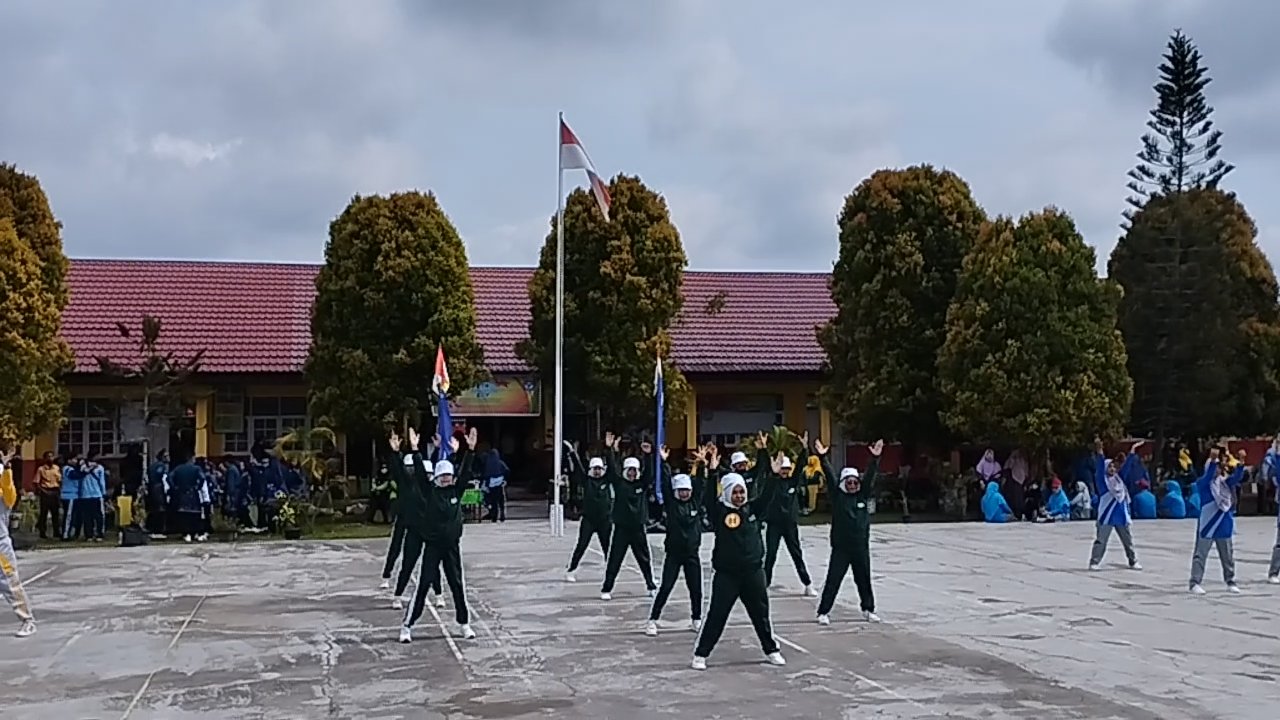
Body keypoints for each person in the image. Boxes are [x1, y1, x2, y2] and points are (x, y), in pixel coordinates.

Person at [691, 467, 785, 670]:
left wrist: (774, 475)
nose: (739, 496)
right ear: (726, 493)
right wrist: (713, 472)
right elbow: (708, 498)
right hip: (727, 575)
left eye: (741, 491)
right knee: (717, 614)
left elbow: (768, 495)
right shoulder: (719, 512)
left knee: (760, 614)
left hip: (753, 573)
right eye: (734, 492)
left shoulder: (753, 509)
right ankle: (701, 653)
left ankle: (771, 650)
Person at [400, 428, 479, 644]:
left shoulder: (456, 491)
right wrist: (415, 449)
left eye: (449, 476)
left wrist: (470, 450)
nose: (446, 479)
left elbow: (465, 472)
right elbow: (418, 471)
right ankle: (407, 626)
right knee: (424, 584)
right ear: (436, 478)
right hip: (433, 547)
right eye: (442, 476)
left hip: (452, 547)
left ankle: (464, 624)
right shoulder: (430, 492)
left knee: (457, 585)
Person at [814, 437, 883, 625]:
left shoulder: (863, 494)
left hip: (860, 548)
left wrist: (875, 459)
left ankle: (868, 609)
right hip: (841, 549)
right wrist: (822, 456)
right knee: (833, 580)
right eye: (849, 482)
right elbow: (829, 475)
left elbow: (870, 477)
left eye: (854, 482)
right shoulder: (838, 497)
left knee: (864, 580)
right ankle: (823, 612)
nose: (852, 485)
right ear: (844, 483)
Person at [645, 447, 703, 636]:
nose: (684, 493)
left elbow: (701, 483)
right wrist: (663, 462)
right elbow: (666, 484)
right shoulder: (672, 504)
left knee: (696, 588)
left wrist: (701, 463)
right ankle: (653, 620)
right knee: (666, 587)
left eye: (687, 490)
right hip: (674, 554)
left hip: (692, 554)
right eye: (681, 490)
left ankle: (696, 618)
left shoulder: (695, 503)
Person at [385, 430, 442, 608]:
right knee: (407, 563)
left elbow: (430, 467)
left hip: (429, 529)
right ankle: (397, 595)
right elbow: (399, 469)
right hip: (412, 528)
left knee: (433, 565)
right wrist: (395, 452)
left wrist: (437, 450)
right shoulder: (406, 483)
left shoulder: (428, 486)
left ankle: (439, 594)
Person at [599, 434, 657, 601]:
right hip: (621, 528)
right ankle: (607, 588)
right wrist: (610, 449)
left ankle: (651, 585)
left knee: (644, 558)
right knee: (614, 559)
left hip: (638, 528)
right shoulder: (619, 484)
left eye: (634, 471)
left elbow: (649, 475)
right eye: (629, 470)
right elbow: (612, 469)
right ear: (625, 471)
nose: (632, 474)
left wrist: (648, 455)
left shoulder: (641, 485)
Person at [758, 431, 816, 596]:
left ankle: (807, 584)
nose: (784, 471)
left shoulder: (793, 481)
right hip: (774, 525)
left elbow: (801, 465)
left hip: (790, 525)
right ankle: (765, 584)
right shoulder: (772, 481)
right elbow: (765, 467)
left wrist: (805, 448)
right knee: (770, 556)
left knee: (796, 554)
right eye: (782, 468)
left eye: (786, 468)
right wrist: (763, 449)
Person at [1189, 446, 1246, 595]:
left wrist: (1241, 463)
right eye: (1215, 467)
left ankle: (1230, 580)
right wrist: (1213, 460)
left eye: (1220, 468)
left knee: (1227, 555)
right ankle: (1195, 582)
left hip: (1223, 522)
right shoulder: (1203, 484)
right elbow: (1208, 477)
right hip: (1208, 523)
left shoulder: (1225, 484)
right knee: (1200, 554)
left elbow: (1236, 478)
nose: (1218, 471)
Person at [0, 446, 37, 637]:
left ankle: (27, 620)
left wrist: (6, 469)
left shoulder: (4, 496)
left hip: (0, 549)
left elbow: (9, 492)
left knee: (10, 584)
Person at [1089, 439, 1142, 571]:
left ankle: (1133, 561)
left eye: (1114, 466)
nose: (1112, 469)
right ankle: (1094, 562)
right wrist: (1100, 452)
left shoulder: (1120, 479)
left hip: (1121, 516)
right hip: (1106, 517)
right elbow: (1100, 468)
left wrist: (1132, 451)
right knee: (1101, 540)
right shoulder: (1103, 482)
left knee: (1127, 541)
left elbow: (1127, 466)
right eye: (1110, 466)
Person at [565, 441, 612, 583]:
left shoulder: (607, 480)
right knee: (581, 546)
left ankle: (610, 573)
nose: (597, 471)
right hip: (589, 520)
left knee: (607, 548)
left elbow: (613, 469)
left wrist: (610, 450)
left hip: (604, 520)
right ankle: (571, 570)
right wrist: (573, 452)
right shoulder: (587, 481)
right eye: (595, 468)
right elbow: (579, 468)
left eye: (599, 468)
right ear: (591, 469)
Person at [35, 452, 62, 540]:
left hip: (55, 491)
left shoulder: (56, 468)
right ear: (45, 458)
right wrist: (43, 491)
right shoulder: (41, 469)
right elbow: (36, 482)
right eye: (48, 457)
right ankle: (42, 532)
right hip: (45, 492)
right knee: (44, 513)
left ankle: (56, 532)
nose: (50, 458)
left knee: (55, 513)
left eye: (52, 456)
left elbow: (60, 480)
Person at [145, 450, 170, 538]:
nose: (168, 458)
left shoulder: (151, 467)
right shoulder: (162, 467)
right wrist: (167, 493)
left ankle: (151, 529)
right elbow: (164, 480)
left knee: (153, 510)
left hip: (152, 489)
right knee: (161, 510)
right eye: (166, 456)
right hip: (159, 489)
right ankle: (158, 530)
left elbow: (147, 478)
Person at [60, 450, 84, 540]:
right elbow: (75, 476)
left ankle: (71, 533)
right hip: (69, 495)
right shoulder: (67, 469)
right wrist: (84, 471)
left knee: (73, 516)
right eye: (74, 459)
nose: (76, 461)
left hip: (74, 495)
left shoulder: (70, 468)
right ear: (69, 460)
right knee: (68, 516)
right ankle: (65, 535)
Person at [481, 448, 509, 523]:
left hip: (491, 485)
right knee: (501, 501)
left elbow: (485, 475)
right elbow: (507, 470)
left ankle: (494, 516)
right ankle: (502, 514)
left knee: (494, 502)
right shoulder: (500, 463)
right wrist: (504, 478)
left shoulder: (488, 463)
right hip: (500, 484)